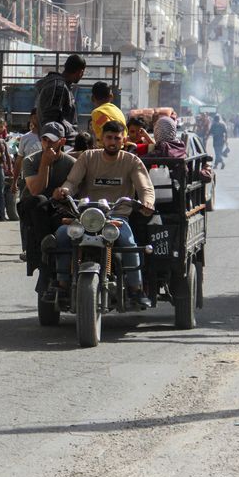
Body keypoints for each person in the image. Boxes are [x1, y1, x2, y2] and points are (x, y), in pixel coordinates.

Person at [51, 121, 155, 308]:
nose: (113, 142)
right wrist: (64, 191)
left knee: (129, 243)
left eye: (117, 138)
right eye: (109, 137)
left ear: (123, 140)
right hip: (86, 216)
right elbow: (72, 182)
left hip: (116, 218)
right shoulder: (88, 157)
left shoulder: (131, 161)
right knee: (61, 236)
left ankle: (136, 289)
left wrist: (147, 202)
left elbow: (145, 187)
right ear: (101, 139)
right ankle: (62, 283)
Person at [19, 122, 76, 289]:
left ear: (62, 141)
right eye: (44, 140)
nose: (48, 144)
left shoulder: (71, 163)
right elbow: (36, 190)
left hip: (60, 208)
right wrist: (45, 164)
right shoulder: (31, 161)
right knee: (40, 200)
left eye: (52, 140)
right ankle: (46, 243)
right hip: (34, 210)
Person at [35, 54, 86, 129]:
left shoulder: (60, 86)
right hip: (59, 139)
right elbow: (51, 122)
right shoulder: (59, 87)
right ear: (80, 72)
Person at [89, 82, 126, 147]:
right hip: (120, 146)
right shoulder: (118, 110)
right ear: (111, 96)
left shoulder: (98, 112)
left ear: (92, 98)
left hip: (108, 149)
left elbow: (110, 129)